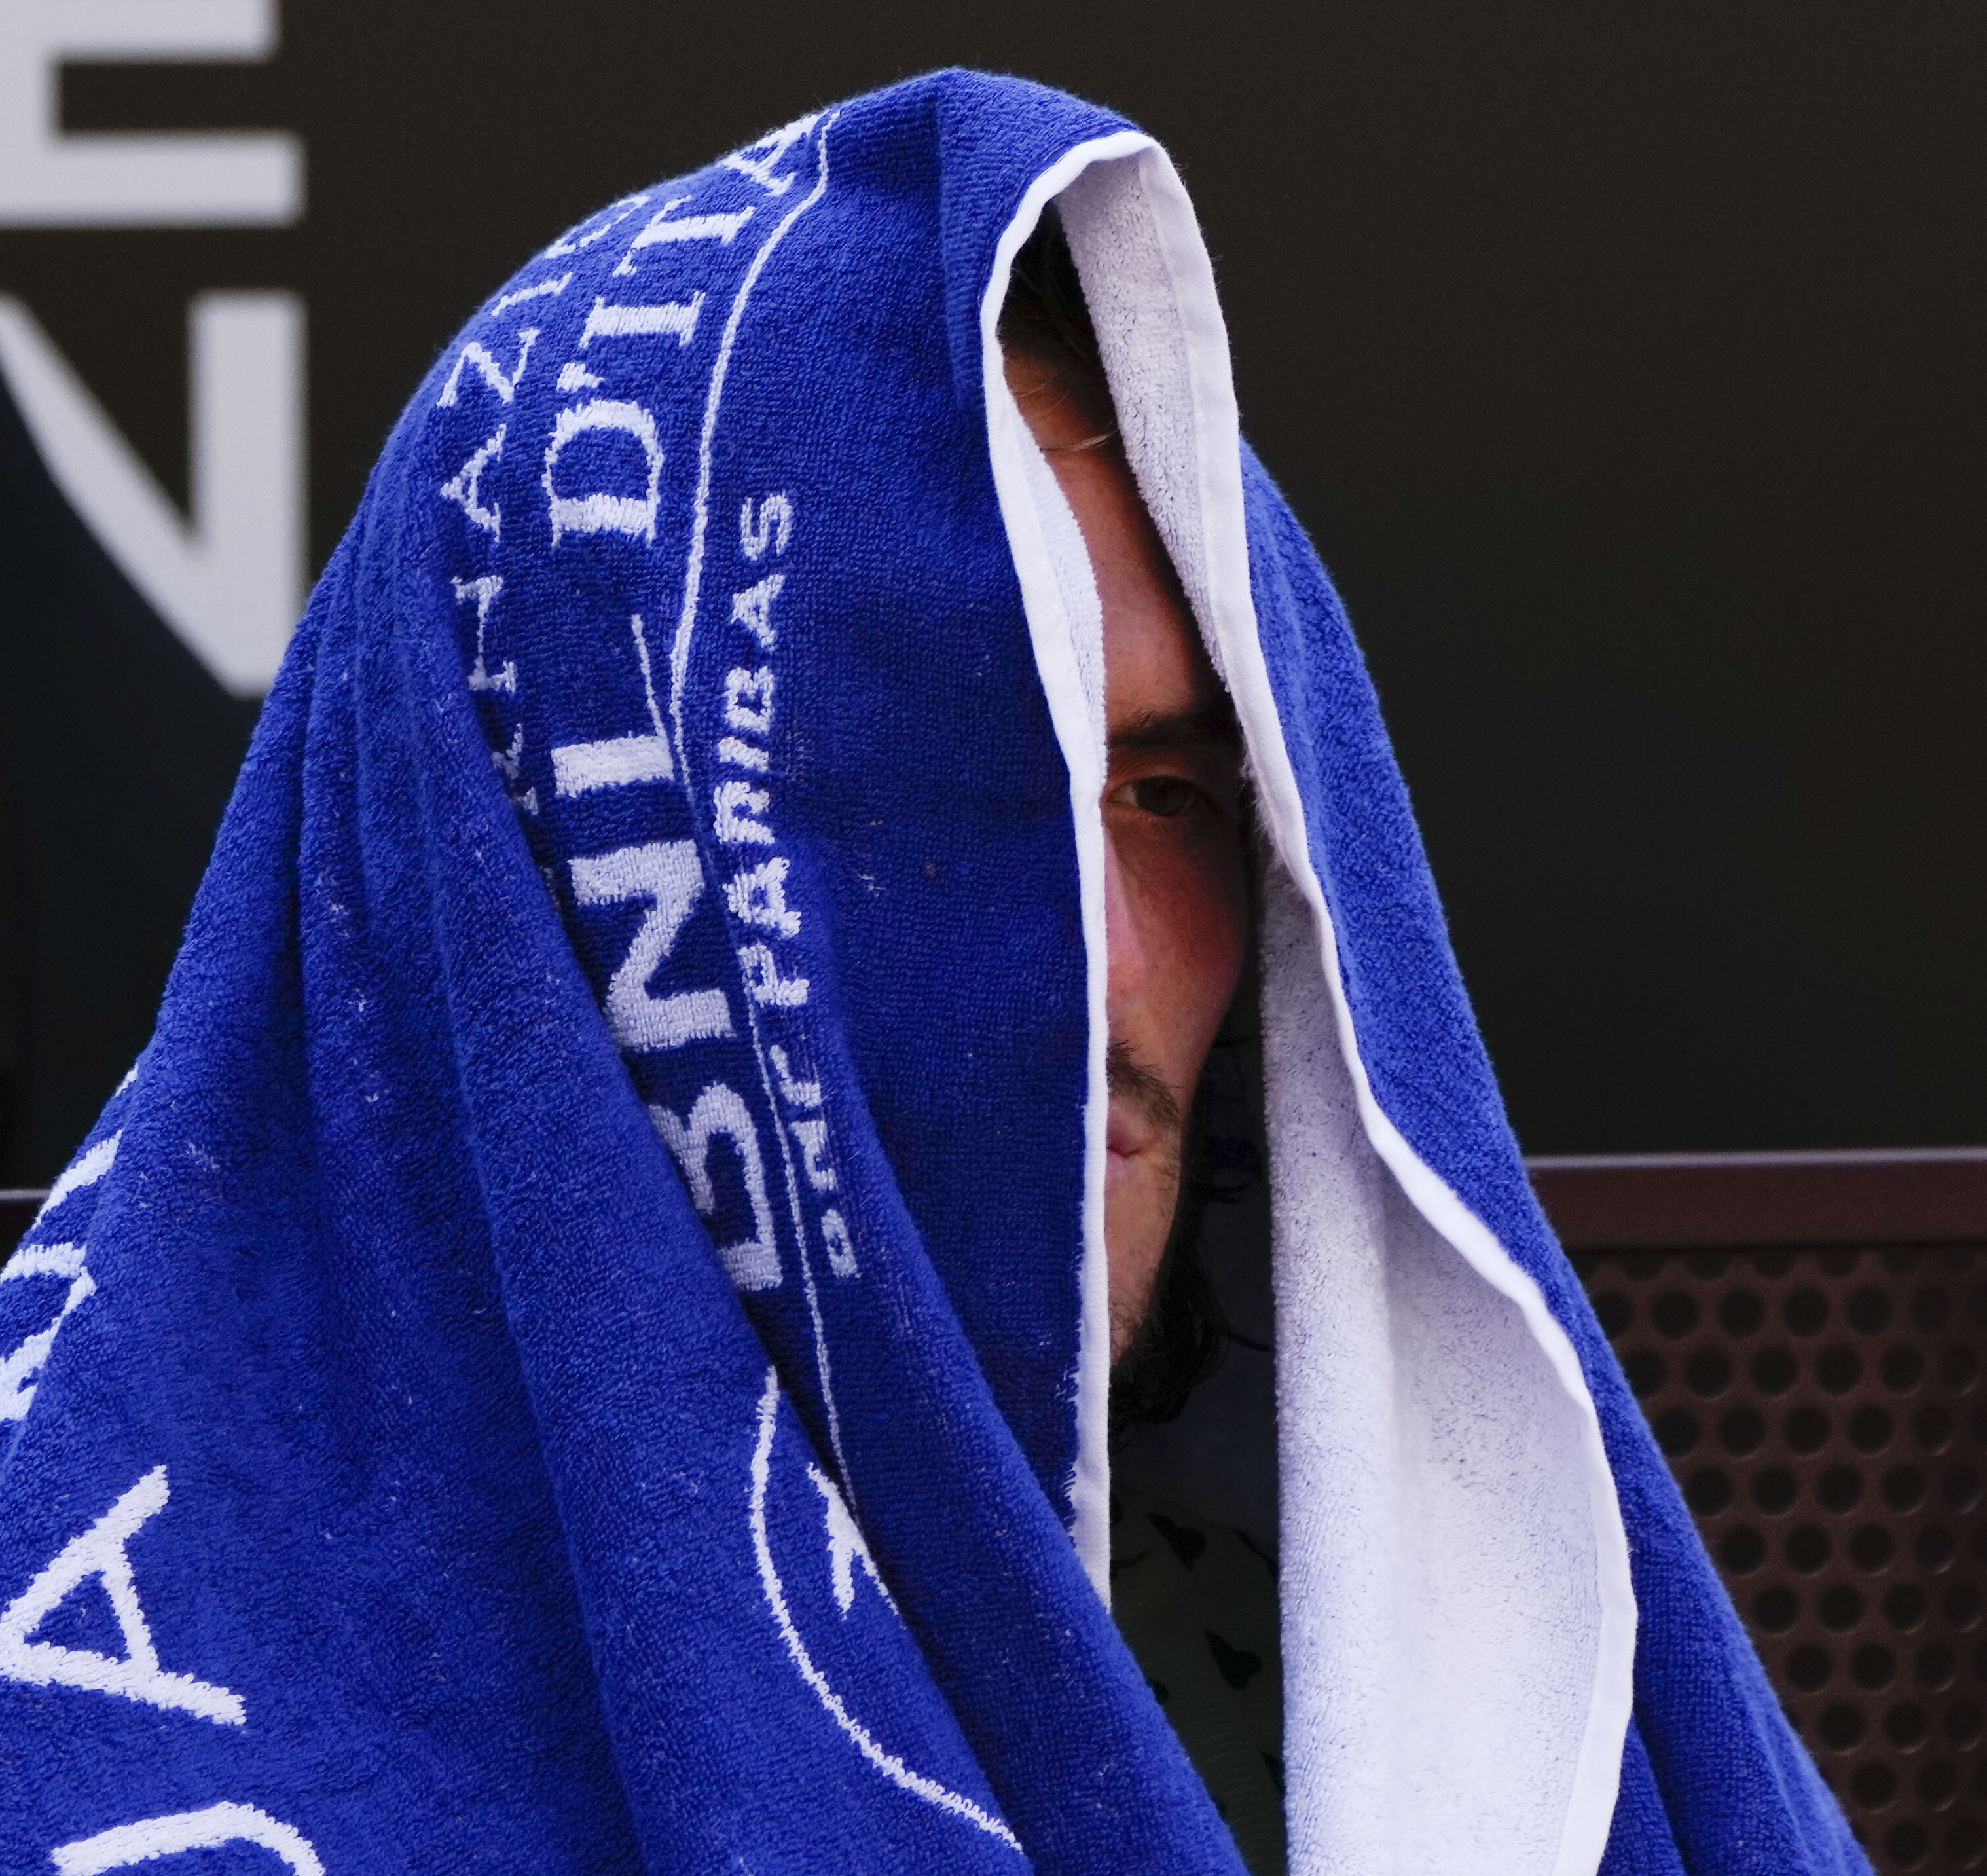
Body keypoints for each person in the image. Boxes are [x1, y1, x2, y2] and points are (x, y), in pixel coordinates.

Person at [0, 69, 1865, 1876]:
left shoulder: (1450, 1700)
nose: (1097, 974)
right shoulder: (101, 1711)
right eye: (929, 798)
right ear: (565, 892)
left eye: (1165, 791)